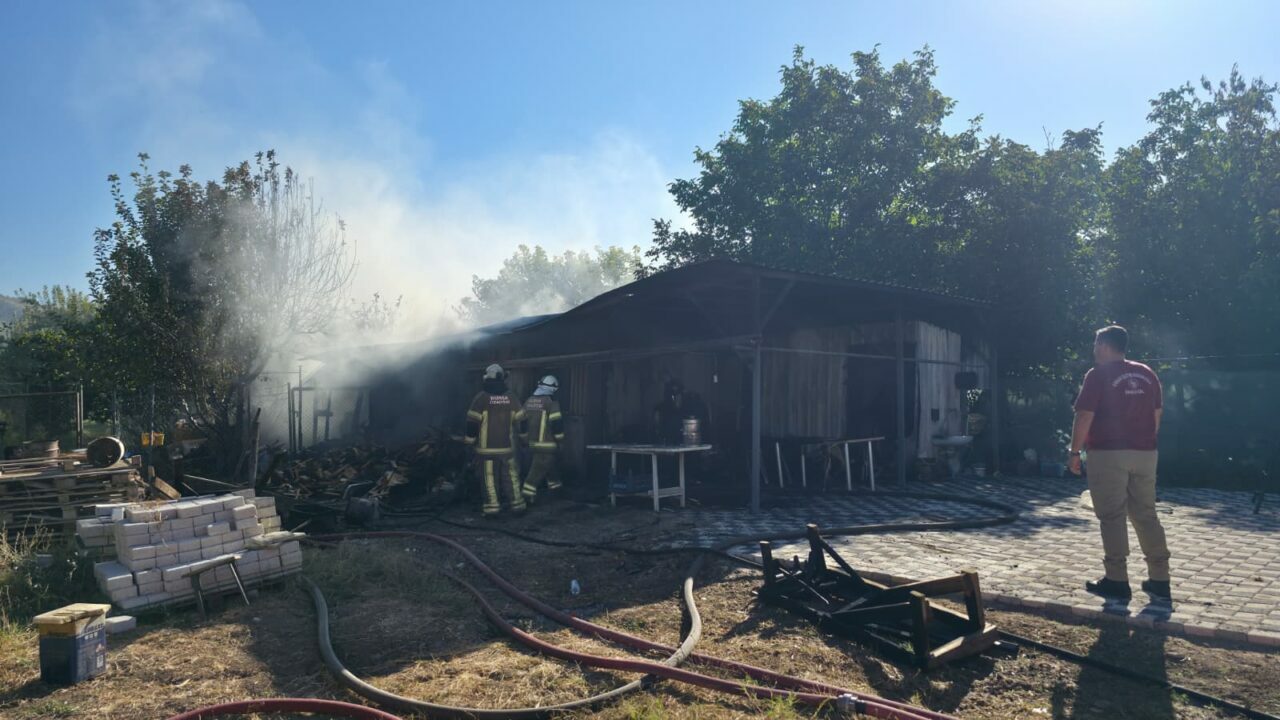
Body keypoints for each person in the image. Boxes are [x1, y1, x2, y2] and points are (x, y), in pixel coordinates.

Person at [1069, 325, 1171, 601]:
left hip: (1108, 453)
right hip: (1146, 452)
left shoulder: (1098, 375)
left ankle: (1117, 579)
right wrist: (1144, 443)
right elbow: (1156, 414)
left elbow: (1084, 416)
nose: (1093, 351)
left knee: (1112, 516)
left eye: (1095, 345)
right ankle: (1160, 579)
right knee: (1146, 514)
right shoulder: (1147, 374)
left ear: (1103, 345)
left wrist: (1075, 452)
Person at [463, 364, 527, 517]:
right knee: (511, 477)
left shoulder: (481, 399)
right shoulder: (512, 398)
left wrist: (468, 443)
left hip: (486, 451)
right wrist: (524, 440)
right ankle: (517, 505)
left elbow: (472, 424)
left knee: (489, 479)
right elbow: (522, 422)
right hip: (506, 449)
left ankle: (492, 509)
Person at [520, 375, 566, 504]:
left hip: (532, 443)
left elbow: (521, 422)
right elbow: (557, 424)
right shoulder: (551, 402)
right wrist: (560, 441)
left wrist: (524, 438)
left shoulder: (529, 401)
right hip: (547, 444)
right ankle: (526, 496)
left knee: (549, 467)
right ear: (553, 389)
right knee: (537, 470)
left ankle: (556, 490)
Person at [653, 379, 708, 445]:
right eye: (672, 395)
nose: (676, 397)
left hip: (687, 448)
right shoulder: (662, 409)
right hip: (669, 446)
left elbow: (700, 429)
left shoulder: (691, 408)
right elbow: (658, 430)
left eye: (679, 394)